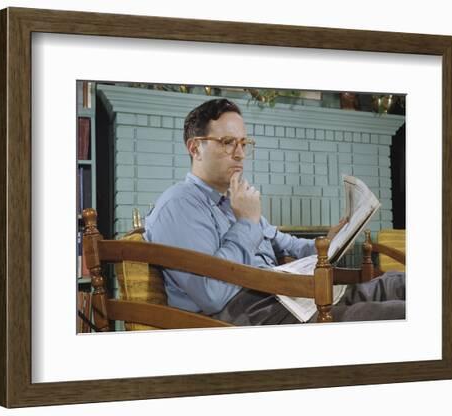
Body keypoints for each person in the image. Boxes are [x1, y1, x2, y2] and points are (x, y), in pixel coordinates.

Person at [144, 98, 405, 325]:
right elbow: (212, 295)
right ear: (194, 148)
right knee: (393, 312)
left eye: (243, 144)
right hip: (246, 313)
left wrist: (331, 241)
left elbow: (288, 245)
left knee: (395, 283)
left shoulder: (233, 200)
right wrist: (247, 222)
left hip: (283, 296)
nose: (240, 154)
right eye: (227, 142)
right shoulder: (180, 204)